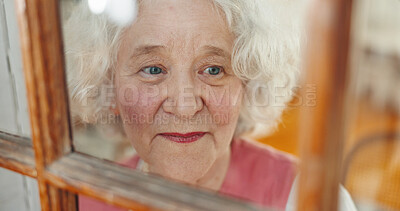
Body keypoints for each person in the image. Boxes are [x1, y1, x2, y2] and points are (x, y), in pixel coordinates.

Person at [64, 0, 355, 210]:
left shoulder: (310, 200)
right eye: (153, 70)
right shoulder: (84, 199)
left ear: (247, 85)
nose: (185, 107)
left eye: (213, 69)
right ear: (109, 87)